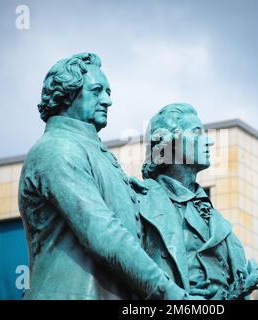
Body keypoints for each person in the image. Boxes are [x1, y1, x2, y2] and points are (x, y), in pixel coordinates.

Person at [18, 53, 197, 300]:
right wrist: (171, 295)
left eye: (108, 92)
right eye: (97, 91)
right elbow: (103, 234)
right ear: (68, 95)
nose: (108, 101)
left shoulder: (95, 153)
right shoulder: (58, 148)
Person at [138, 103, 258, 300]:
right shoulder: (141, 201)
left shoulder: (215, 218)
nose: (209, 141)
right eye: (197, 133)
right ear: (171, 143)